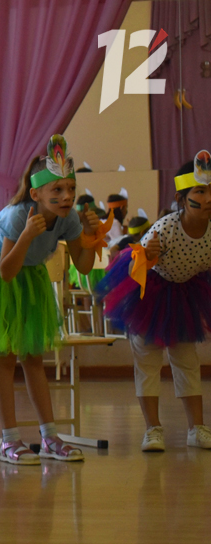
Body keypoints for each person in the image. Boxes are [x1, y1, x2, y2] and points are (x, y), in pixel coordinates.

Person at [0, 134, 100, 465]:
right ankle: (9, 440)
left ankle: (50, 437)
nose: (67, 196)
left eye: (70, 188)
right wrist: (27, 235)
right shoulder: (18, 215)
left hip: (30, 275)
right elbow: (6, 271)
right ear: (36, 193)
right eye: (57, 189)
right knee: (7, 355)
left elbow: (84, 266)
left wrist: (89, 235)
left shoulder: (69, 219)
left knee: (33, 356)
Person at [97, 150, 211, 452]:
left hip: (185, 293)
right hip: (150, 293)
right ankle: (152, 429)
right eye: (200, 191)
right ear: (181, 199)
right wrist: (148, 255)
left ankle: (196, 428)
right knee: (148, 360)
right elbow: (137, 264)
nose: (208, 198)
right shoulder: (166, 228)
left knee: (187, 359)